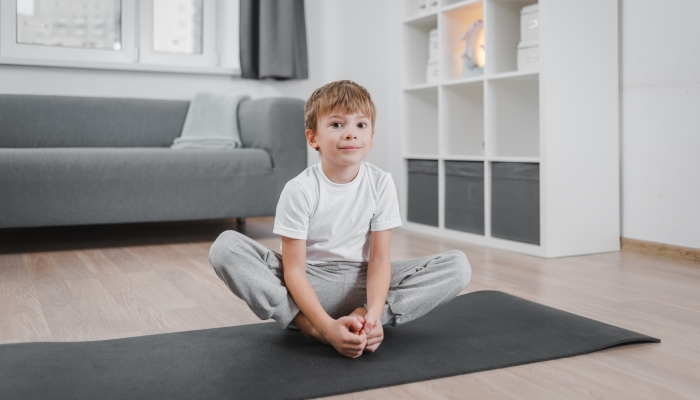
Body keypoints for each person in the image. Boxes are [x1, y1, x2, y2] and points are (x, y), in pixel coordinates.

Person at [209, 80, 471, 359]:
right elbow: (294, 271)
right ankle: (308, 325)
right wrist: (324, 327)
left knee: (458, 266)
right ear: (313, 138)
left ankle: (364, 322)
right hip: (309, 282)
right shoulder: (299, 190)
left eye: (361, 125)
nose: (350, 134)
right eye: (336, 125)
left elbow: (380, 261)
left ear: (371, 137)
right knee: (225, 247)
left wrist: (372, 313)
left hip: (363, 281)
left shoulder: (381, 183)